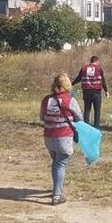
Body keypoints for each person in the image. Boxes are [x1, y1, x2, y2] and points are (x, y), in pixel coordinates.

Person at [40, 73, 82, 205]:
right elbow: (79, 118)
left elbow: (42, 117)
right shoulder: (70, 100)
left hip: (49, 137)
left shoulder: (46, 100)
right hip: (64, 137)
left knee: (56, 163)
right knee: (61, 164)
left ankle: (56, 189)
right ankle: (57, 196)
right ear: (67, 85)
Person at [72, 56, 109, 128]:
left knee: (87, 109)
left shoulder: (84, 68)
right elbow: (103, 80)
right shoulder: (99, 68)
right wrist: (106, 90)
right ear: (97, 61)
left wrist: (71, 84)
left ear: (91, 61)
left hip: (86, 91)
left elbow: (78, 78)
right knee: (97, 110)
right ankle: (96, 127)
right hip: (96, 92)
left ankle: (86, 126)